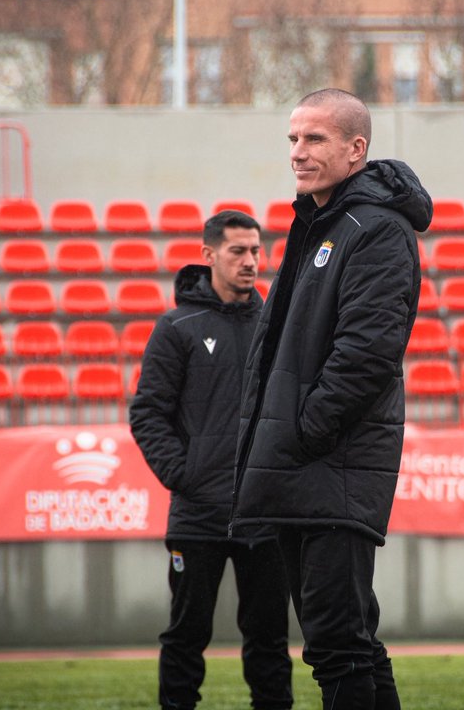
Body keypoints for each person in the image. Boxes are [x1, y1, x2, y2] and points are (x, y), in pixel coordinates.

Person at [231, 88, 432, 710]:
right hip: (308, 466)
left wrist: (303, 431)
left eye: (314, 139)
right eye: (293, 138)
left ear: (356, 149)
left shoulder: (374, 230)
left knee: (338, 645)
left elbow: (368, 352)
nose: (298, 151)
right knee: (348, 643)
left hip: (333, 464)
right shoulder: (317, 221)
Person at [130, 210, 293, 710]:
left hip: (265, 514)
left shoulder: (277, 324)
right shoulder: (178, 326)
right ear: (209, 256)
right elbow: (148, 413)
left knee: (269, 642)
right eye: (237, 251)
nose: (250, 262)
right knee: (186, 635)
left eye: (255, 251)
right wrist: (186, 475)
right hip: (198, 514)